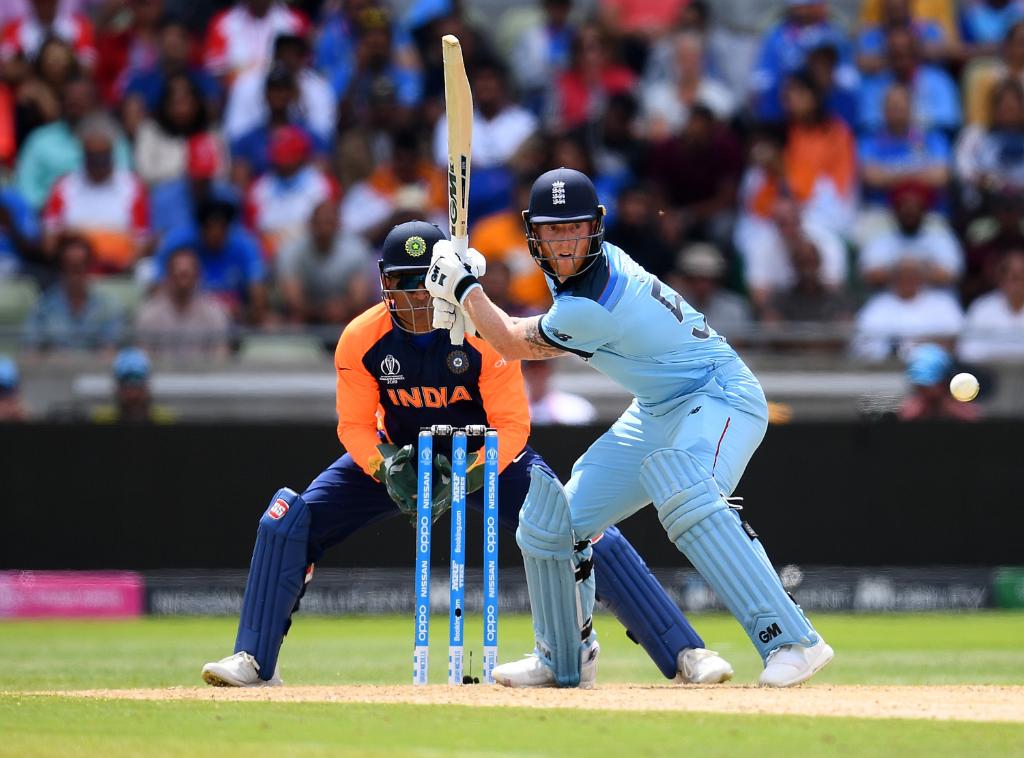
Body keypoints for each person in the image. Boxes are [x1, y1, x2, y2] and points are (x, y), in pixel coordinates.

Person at [201, 220, 733, 688]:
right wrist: (386, 467)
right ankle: (253, 659)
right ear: (383, 283)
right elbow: (354, 426)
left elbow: (513, 427)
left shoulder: (482, 332)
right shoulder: (360, 338)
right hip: (402, 457)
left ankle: (684, 652)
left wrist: (466, 475)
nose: (414, 299)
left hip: (487, 457)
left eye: (423, 285)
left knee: (578, 524)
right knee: (288, 521)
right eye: (401, 285)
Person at [427, 168, 833, 688]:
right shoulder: (574, 276)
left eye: (574, 228)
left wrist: (464, 289)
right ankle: (562, 659)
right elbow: (508, 327)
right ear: (532, 233)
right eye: (552, 230)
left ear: (596, 226)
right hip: (657, 407)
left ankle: (793, 641)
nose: (564, 243)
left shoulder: (595, 302)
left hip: (719, 396)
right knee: (552, 523)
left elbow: (509, 342)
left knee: (689, 495)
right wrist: (470, 291)